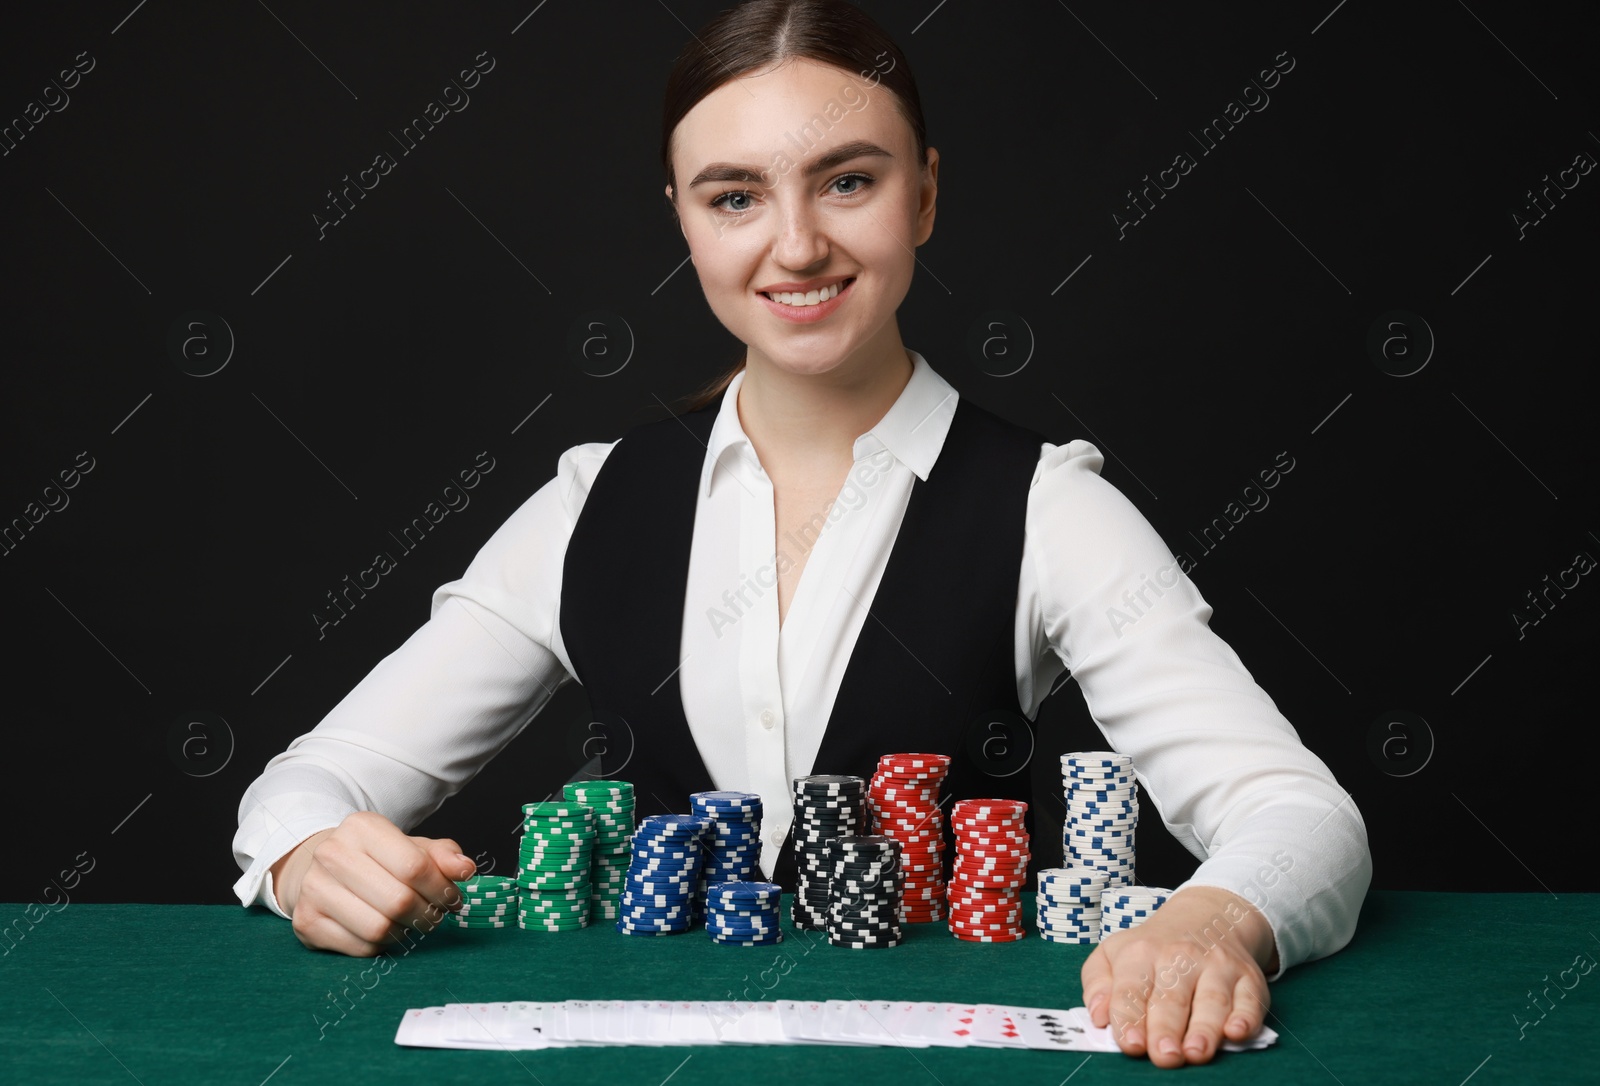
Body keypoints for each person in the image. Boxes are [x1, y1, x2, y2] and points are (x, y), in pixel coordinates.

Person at [233, 0, 1370, 1068]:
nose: (795, 247)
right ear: (680, 218)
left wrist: (1220, 918)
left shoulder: (1048, 507)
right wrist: (304, 859)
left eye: (847, 182)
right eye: (733, 197)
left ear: (922, 196)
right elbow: (311, 780)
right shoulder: (591, 505)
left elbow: (1299, 815)